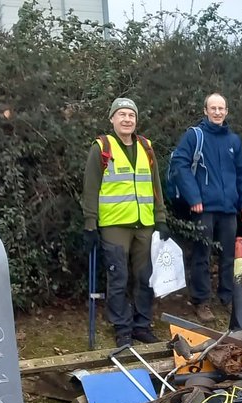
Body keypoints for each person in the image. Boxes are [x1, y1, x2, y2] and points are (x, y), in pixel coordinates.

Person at [81, 98, 168, 347]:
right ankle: (122, 328)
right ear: (112, 119)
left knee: (145, 277)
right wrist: (90, 223)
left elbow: (155, 187)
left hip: (145, 224)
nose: (127, 119)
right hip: (114, 225)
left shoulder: (146, 147)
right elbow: (91, 188)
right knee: (118, 277)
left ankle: (142, 325)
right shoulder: (102, 147)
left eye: (131, 115)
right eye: (122, 114)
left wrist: (160, 218)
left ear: (136, 120)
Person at [168, 93, 242, 323]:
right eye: (213, 108)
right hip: (202, 208)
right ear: (205, 111)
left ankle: (226, 297)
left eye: (221, 108)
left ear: (226, 111)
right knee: (202, 255)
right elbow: (180, 165)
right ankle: (201, 301)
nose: (217, 112)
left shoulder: (233, 140)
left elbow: (240, 174)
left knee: (228, 255)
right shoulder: (194, 136)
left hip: (229, 209)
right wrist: (193, 196)